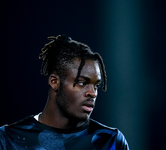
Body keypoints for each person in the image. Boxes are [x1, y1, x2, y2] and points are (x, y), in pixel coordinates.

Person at [0, 35, 129, 150]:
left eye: (96, 86)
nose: (92, 93)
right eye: (82, 83)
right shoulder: (8, 139)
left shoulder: (110, 141)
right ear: (54, 82)